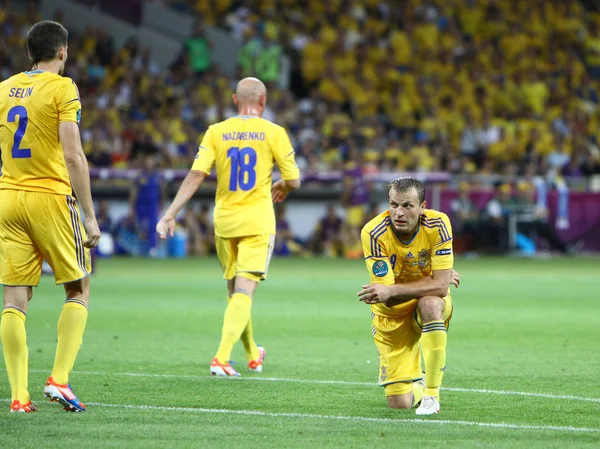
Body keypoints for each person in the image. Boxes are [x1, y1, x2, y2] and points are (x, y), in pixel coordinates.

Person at [156, 77, 300, 376]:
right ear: (263, 101)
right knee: (245, 291)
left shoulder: (216, 131)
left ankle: (251, 353)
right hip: (257, 220)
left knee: (236, 291)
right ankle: (221, 358)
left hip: (224, 221)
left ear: (235, 100)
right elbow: (295, 180)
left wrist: (171, 213)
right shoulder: (274, 132)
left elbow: (196, 175)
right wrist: (284, 185)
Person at [0, 21, 101, 413]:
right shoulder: (63, 87)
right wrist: (89, 216)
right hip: (50, 197)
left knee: (13, 298)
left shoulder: (5, 88)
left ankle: (18, 397)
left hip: (8, 197)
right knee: (78, 289)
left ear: (30, 53)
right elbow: (73, 155)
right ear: (63, 52)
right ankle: (59, 380)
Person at [357, 177, 459, 415]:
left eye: (407, 206)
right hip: (391, 318)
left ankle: (432, 396)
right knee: (399, 403)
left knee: (431, 303)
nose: (398, 213)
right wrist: (433, 280)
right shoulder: (373, 233)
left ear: (422, 207)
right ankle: (420, 384)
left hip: (426, 303)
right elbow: (387, 299)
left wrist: (393, 288)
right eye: (393, 205)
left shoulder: (439, 223)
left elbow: (441, 289)